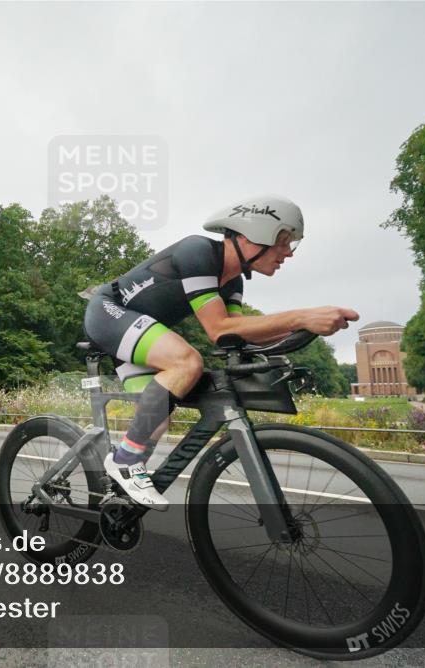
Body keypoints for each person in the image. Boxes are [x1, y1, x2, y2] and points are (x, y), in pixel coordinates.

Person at [83, 195, 359, 510]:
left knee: (155, 419)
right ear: (249, 235)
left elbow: (236, 333)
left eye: (292, 244)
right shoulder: (197, 251)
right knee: (187, 362)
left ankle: (115, 495)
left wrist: (304, 331)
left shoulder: (233, 281)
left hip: (142, 329)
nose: (288, 253)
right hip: (109, 311)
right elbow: (218, 328)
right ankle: (123, 461)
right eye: (283, 241)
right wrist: (300, 316)